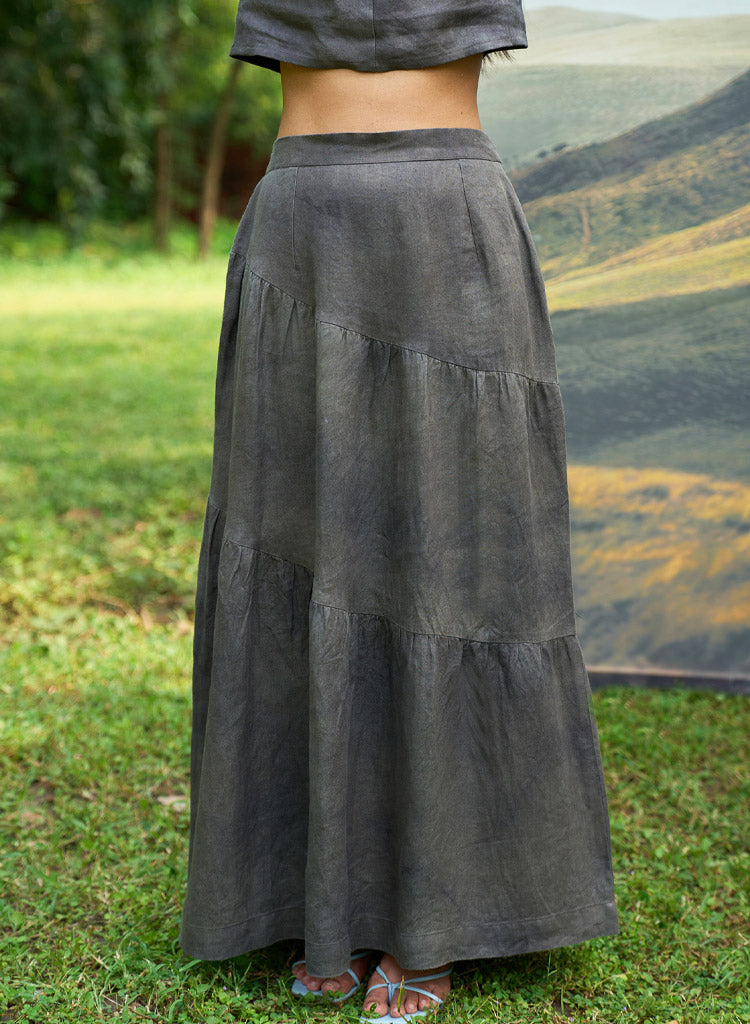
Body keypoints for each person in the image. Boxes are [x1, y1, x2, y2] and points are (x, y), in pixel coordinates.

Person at [179, 2, 619, 1020]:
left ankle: (442, 910)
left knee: (454, 558)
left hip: (446, 222)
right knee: (295, 538)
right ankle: (309, 893)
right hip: (305, 224)